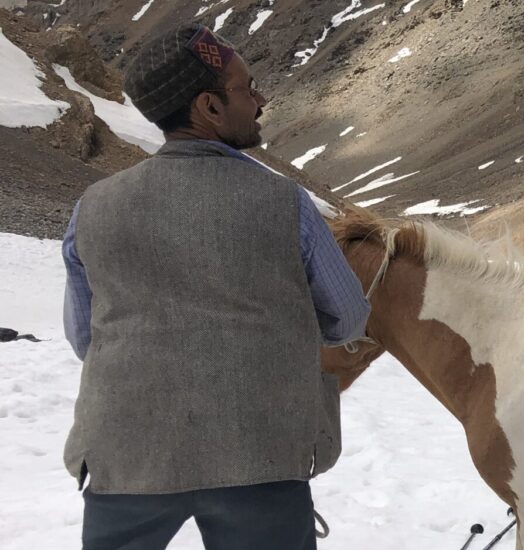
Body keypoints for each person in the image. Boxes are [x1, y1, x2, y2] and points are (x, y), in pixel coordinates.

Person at [61, 24, 371, 550]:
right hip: (261, 451)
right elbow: (348, 318)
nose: (260, 99)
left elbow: (85, 338)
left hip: (126, 452)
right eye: (247, 88)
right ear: (209, 106)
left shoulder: (92, 206)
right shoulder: (285, 202)